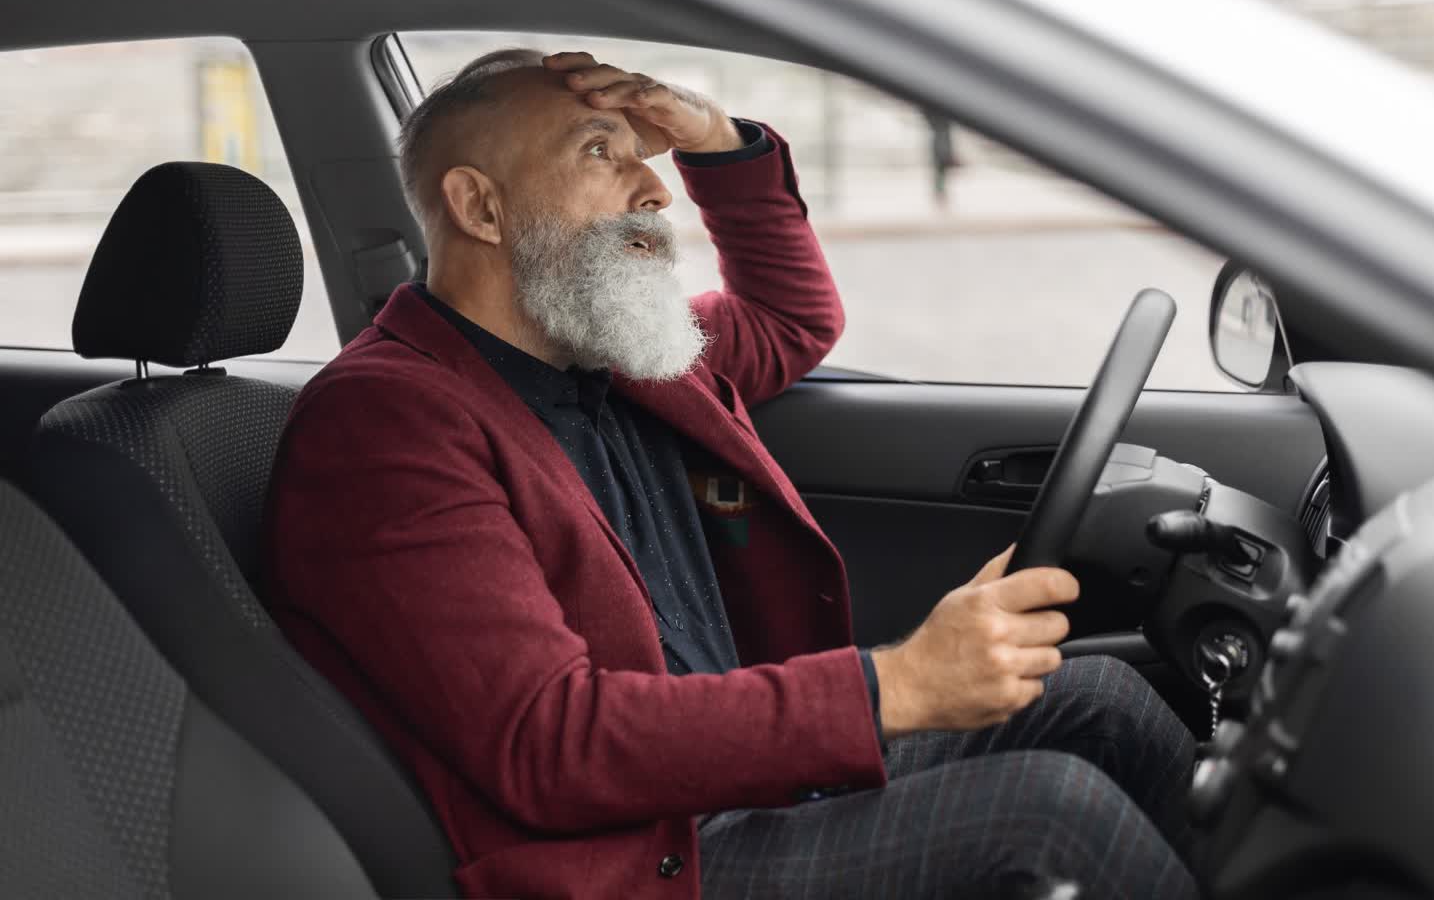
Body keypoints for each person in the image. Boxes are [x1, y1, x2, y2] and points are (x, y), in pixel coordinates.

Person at [265, 48, 1198, 900]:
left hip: (732, 783)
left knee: (1102, 700)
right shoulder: (384, 424)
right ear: (481, 208)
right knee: (1052, 814)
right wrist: (898, 686)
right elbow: (547, 741)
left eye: (647, 156)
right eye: (600, 151)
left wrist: (715, 141)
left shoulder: (621, 350)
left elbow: (793, 318)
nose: (653, 188)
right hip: (642, 858)